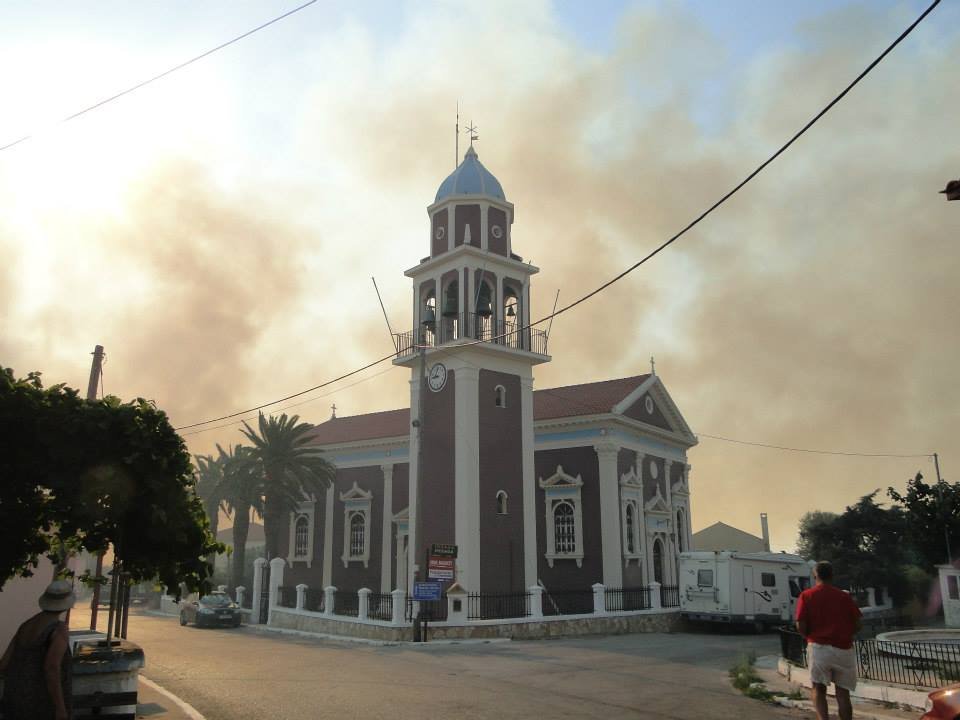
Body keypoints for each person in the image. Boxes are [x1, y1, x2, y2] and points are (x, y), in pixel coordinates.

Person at [795, 561, 862, 720]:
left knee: (818, 689)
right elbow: (858, 624)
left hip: (819, 647)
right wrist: (845, 634)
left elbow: (800, 624)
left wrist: (809, 636)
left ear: (815, 575)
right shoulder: (844, 596)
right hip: (843, 649)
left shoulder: (807, 595)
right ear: (832, 575)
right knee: (843, 693)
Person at [0, 579, 75, 720]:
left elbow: (4, 663)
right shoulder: (59, 629)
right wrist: (60, 708)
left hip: (14, 700)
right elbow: (52, 668)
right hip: (41, 702)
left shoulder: (26, 625)